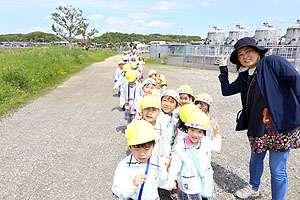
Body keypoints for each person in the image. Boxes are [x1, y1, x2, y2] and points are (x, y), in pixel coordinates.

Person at [218, 37, 300, 199]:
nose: (245, 56)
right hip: (257, 127)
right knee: (255, 160)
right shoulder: (243, 76)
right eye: (240, 54)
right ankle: (254, 188)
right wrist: (223, 70)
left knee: (277, 169)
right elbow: (226, 90)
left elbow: (296, 81)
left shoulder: (272, 62)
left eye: (248, 51)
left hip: (280, 126)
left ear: (258, 51)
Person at [112, 120, 172, 199]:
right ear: (130, 147)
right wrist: (132, 184)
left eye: (147, 148)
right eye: (137, 149)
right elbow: (117, 190)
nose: (142, 153)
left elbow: (163, 180)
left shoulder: (157, 161)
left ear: (154, 145)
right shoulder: (124, 166)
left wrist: (171, 185)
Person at [168, 111, 221, 200]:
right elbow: (175, 165)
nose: (195, 134)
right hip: (188, 185)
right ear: (187, 128)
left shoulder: (205, 141)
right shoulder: (181, 146)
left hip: (204, 183)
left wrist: (216, 133)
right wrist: (172, 179)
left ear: (204, 132)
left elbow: (216, 148)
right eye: (192, 130)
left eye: (199, 132)